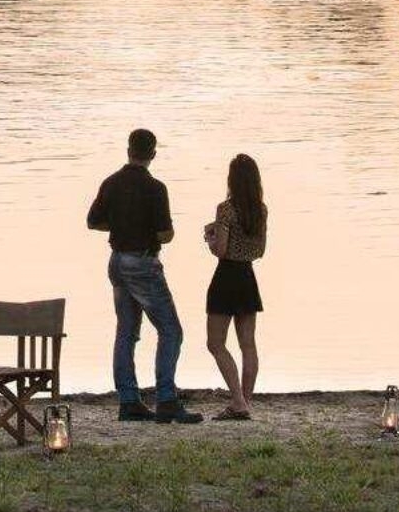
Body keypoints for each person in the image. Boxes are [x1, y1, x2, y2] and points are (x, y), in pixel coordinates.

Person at [86, 128, 201, 423]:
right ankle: (166, 398)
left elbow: (93, 222)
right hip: (142, 263)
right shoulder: (155, 188)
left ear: (128, 150)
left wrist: (119, 227)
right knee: (171, 330)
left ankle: (128, 400)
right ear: (152, 153)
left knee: (126, 331)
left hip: (116, 261)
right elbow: (165, 234)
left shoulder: (110, 183)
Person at [201, 153, 268, 420]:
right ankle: (246, 401)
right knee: (248, 344)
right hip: (247, 276)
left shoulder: (226, 209)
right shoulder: (260, 210)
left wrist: (210, 236)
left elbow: (221, 250)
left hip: (226, 276)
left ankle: (238, 401)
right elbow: (260, 249)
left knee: (215, 343)